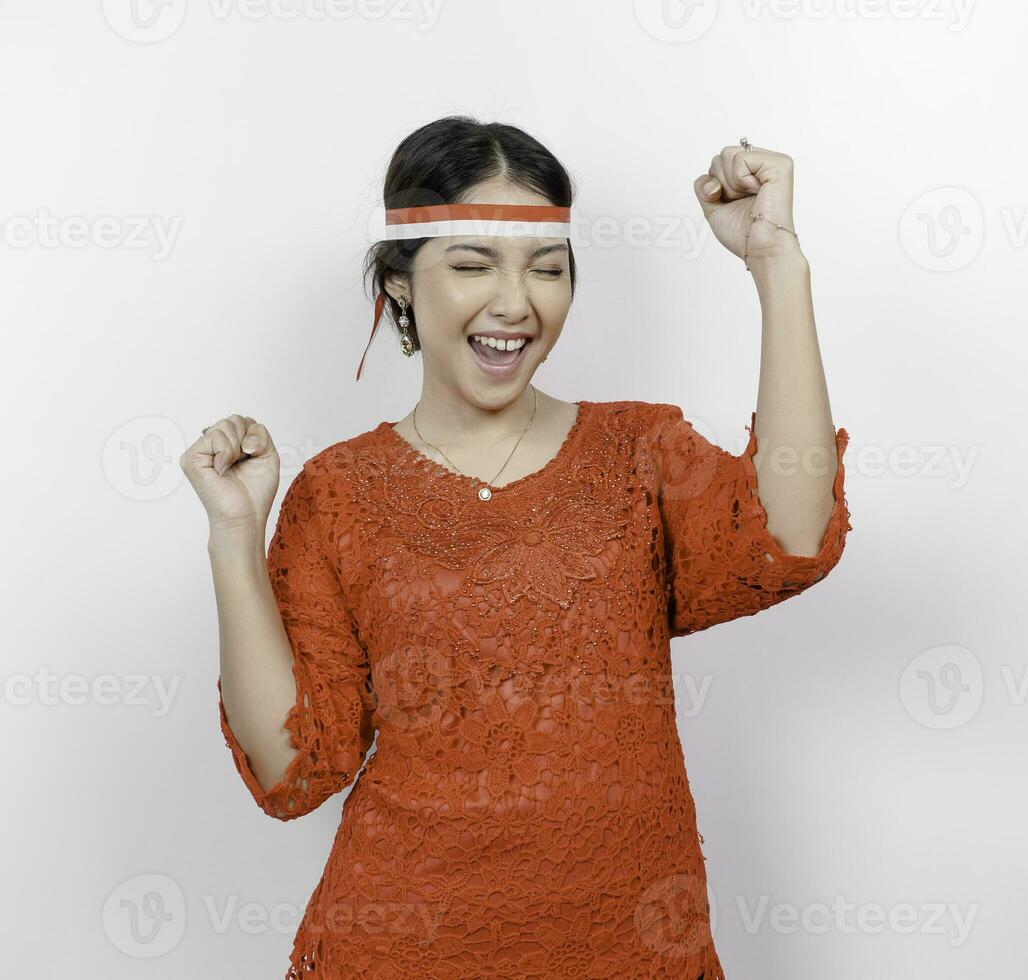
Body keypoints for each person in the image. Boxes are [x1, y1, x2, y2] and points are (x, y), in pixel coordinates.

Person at [181, 115, 851, 979]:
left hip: (633, 950)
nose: (516, 302)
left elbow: (792, 536)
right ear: (398, 286)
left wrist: (777, 265)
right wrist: (236, 537)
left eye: (547, 268)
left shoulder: (640, 452)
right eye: (470, 265)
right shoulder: (339, 494)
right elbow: (295, 769)